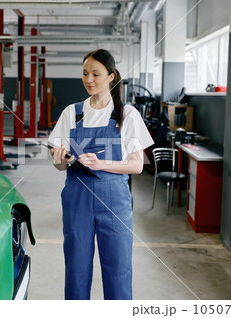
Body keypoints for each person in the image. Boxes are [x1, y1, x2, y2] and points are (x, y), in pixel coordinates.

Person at [48, 49, 154, 300]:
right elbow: (61, 166)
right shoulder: (71, 113)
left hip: (114, 199)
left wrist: (101, 163)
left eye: (96, 74)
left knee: (117, 268)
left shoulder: (127, 115)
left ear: (111, 76)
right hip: (77, 198)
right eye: (85, 74)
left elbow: (137, 165)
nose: (89, 80)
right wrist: (59, 161)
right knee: (76, 268)